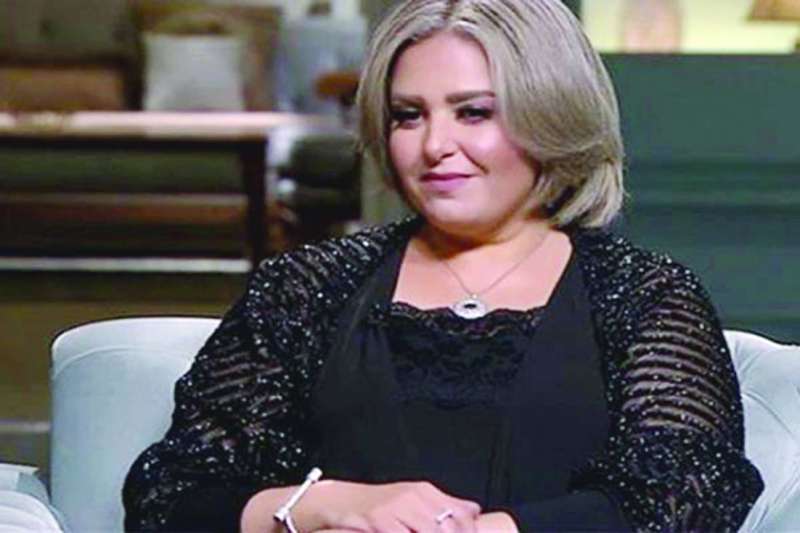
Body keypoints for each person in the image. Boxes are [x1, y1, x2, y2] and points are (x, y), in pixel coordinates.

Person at [123, 1, 764, 531]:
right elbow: (170, 494)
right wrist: (329, 504)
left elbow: (690, 492)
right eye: (409, 116)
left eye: (473, 112)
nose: (434, 146)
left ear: (554, 116)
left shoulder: (645, 294)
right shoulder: (306, 285)